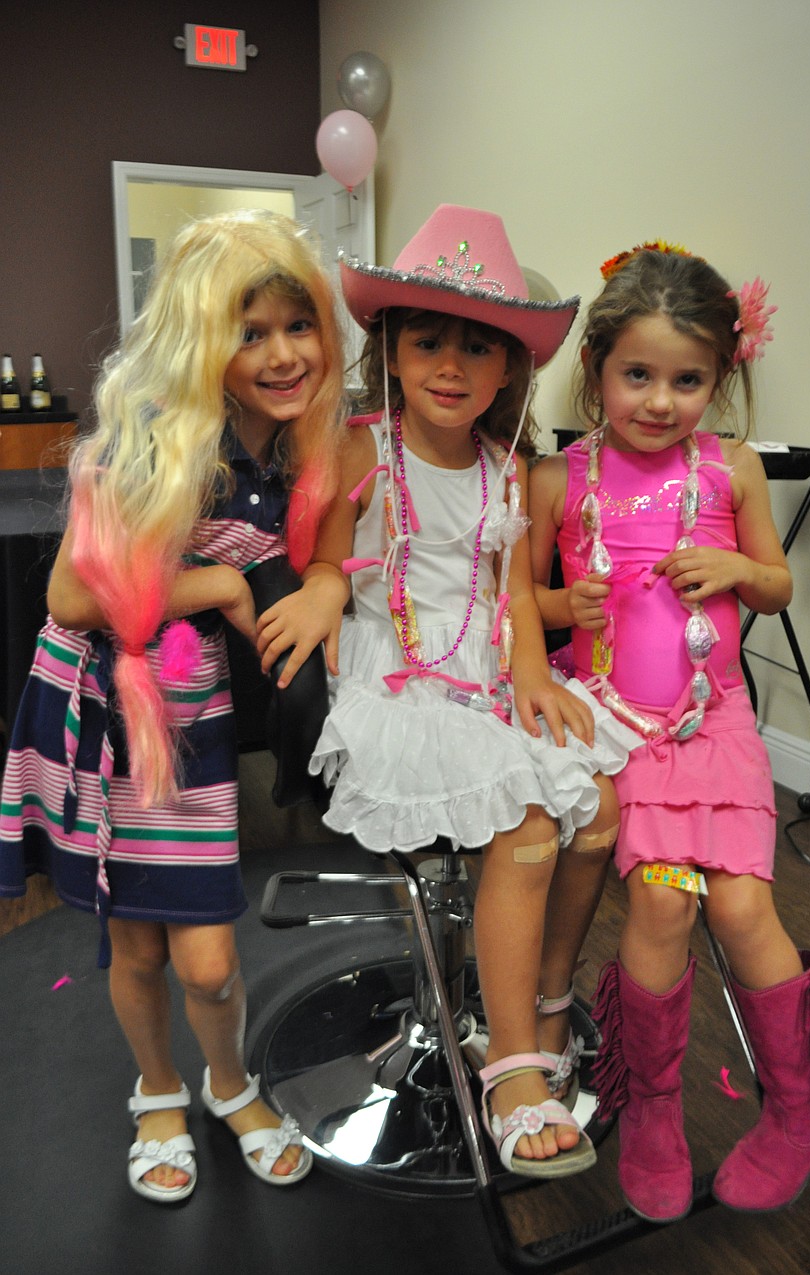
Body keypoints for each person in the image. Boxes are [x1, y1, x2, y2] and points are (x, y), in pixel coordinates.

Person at [0, 210, 350, 1202]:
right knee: (135, 943)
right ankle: (158, 1089)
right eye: (250, 331)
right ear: (204, 340)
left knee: (205, 960)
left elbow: (329, 553)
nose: (283, 353)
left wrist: (322, 583)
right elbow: (72, 596)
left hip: (185, 721)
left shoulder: (291, 449)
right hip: (102, 716)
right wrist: (221, 590)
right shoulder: (150, 438)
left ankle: (229, 1085)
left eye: (298, 324)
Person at [305, 204, 643, 1178]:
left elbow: (509, 600)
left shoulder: (510, 471)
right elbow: (329, 570)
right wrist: (320, 608)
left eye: (477, 348)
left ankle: (536, 1000)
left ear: (510, 369)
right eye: (428, 341)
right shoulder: (362, 452)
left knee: (599, 811)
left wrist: (533, 675)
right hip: (396, 685)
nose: (451, 365)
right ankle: (509, 1066)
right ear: (392, 352)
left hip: (489, 675)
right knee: (531, 827)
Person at [529, 242, 810, 1219]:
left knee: (746, 910)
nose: (660, 400)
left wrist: (739, 575)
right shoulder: (560, 480)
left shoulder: (733, 469)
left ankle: (796, 1114)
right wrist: (562, 605)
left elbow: (777, 580)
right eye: (638, 374)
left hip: (714, 733)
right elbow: (520, 609)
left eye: (687, 379)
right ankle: (656, 1108)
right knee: (664, 908)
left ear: (719, 379)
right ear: (595, 372)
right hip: (622, 731)